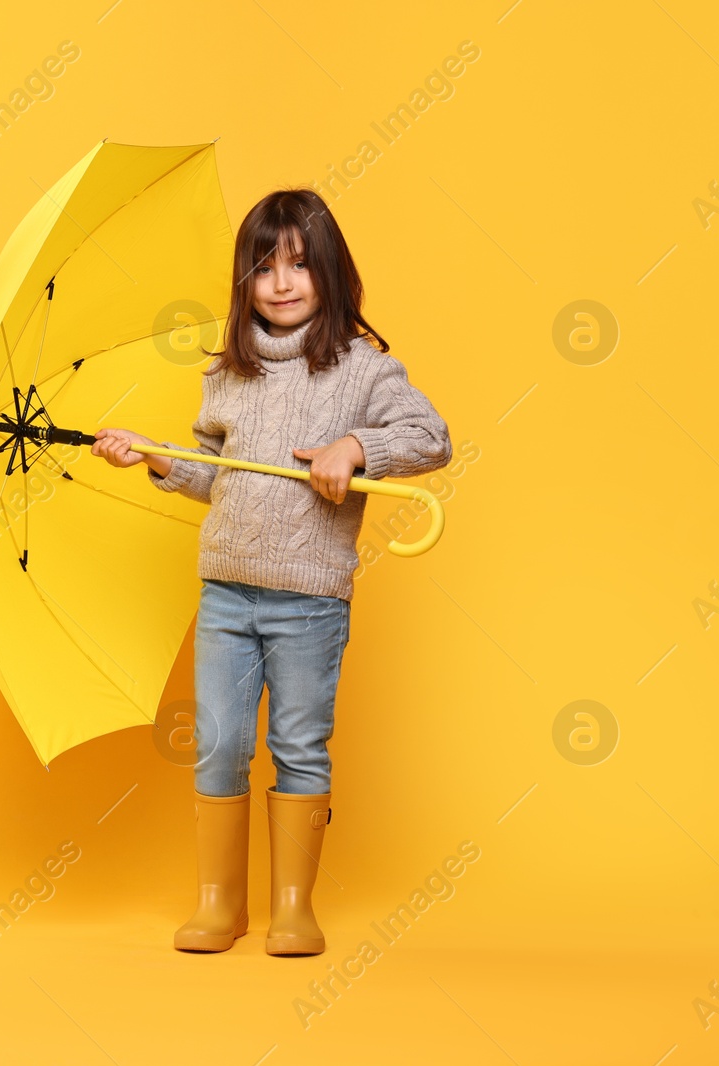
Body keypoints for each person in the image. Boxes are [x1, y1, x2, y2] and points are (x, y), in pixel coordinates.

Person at [91, 188, 451, 955]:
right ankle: (220, 903)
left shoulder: (362, 368)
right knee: (218, 740)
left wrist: (355, 449)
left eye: (298, 265)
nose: (282, 283)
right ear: (243, 283)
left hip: (310, 603)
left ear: (329, 271)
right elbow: (213, 473)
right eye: (263, 268)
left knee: (298, 742)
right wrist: (157, 457)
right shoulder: (228, 371)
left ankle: (294, 906)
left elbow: (431, 436)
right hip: (226, 591)